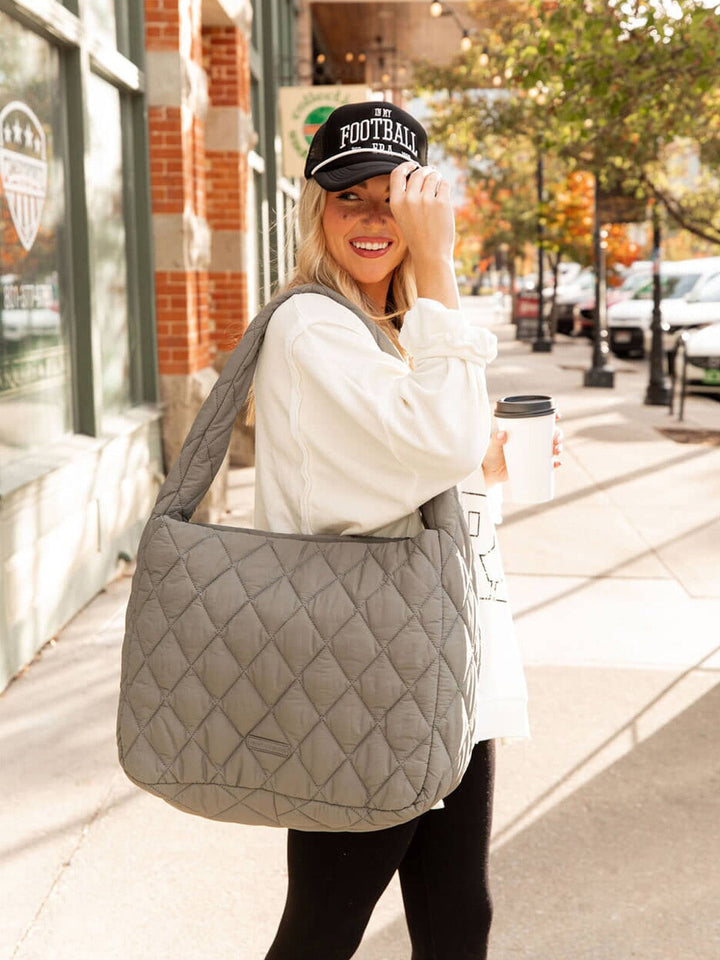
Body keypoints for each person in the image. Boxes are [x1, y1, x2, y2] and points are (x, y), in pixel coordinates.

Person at [252, 101, 560, 960]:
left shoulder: (389, 330)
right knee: (322, 929)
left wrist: (486, 466)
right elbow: (436, 440)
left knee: (459, 917)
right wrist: (442, 262)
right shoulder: (312, 325)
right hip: (368, 676)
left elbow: (426, 466)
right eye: (351, 198)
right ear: (319, 211)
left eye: (396, 198)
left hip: (436, 664)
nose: (375, 219)